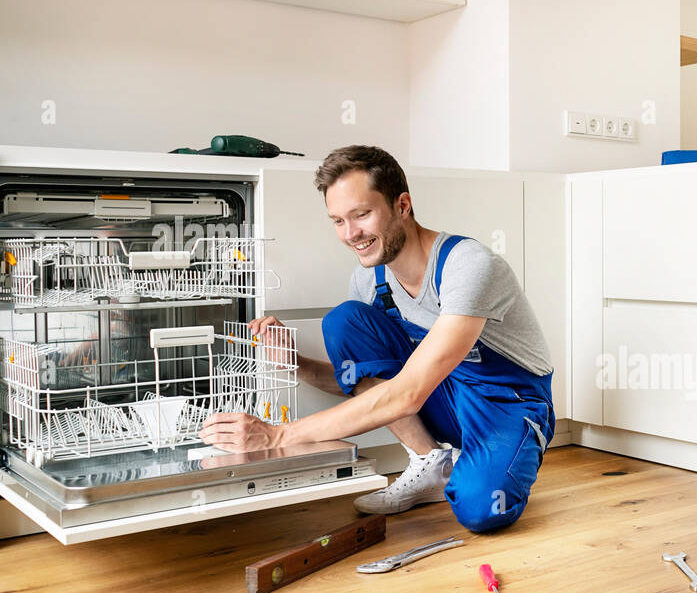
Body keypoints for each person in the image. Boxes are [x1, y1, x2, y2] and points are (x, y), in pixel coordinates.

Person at [201, 145, 555, 533]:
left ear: (402, 205)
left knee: (482, 511)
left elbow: (406, 394)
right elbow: (366, 382)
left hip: (505, 403)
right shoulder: (369, 280)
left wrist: (280, 435)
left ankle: (483, 464)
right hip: (440, 393)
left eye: (362, 214)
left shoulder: (468, 266)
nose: (351, 234)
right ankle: (430, 464)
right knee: (344, 320)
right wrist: (297, 365)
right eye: (338, 220)